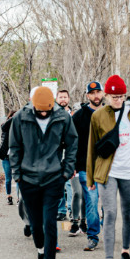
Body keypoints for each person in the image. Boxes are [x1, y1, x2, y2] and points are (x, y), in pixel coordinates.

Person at [8, 86, 78, 259]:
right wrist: (17, 174)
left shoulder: (63, 117)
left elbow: (72, 143)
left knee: (49, 222)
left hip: (53, 178)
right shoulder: (21, 118)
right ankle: (40, 250)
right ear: (33, 106)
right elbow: (14, 147)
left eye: (47, 110)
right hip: (28, 180)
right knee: (36, 224)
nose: (44, 113)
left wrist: (66, 170)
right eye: (41, 111)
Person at [86, 74, 130, 259]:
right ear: (106, 96)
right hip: (107, 172)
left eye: (120, 96)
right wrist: (90, 178)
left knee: (128, 212)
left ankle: (126, 251)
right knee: (110, 213)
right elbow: (91, 148)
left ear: (125, 95)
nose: (117, 100)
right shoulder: (99, 116)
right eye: (113, 96)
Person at [72, 81, 104, 249]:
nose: (96, 95)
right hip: (86, 168)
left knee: (107, 204)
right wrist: (74, 164)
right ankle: (93, 236)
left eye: (98, 92)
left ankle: (103, 224)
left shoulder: (110, 113)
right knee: (91, 201)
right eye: (92, 93)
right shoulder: (79, 116)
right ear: (87, 96)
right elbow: (72, 142)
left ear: (103, 94)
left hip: (108, 167)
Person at [55, 89, 73, 221]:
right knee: (59, 184)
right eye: (60, 97)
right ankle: (61, 210)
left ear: (68, 99)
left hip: (70, 155)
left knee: (70, 185)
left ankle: (72, 210)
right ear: (56, 99)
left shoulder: (73, 115)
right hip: (56, 156)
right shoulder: (53, 115)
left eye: (65, 97)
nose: (62, 99)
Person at [0, 110, 16, 205]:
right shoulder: (5, 128)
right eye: (12, 117)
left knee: (18, 178)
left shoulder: (19, 129)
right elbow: (4, 127)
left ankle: (20, 198)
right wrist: (13, 118)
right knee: (8, 178)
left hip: (17, 158)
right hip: (6, 158)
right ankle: (9, 195)